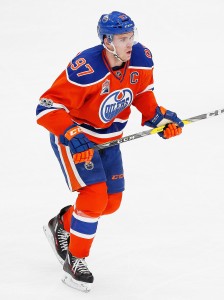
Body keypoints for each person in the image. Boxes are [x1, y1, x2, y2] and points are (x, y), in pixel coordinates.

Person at [36, 11, 184, 292]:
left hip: (110, 141)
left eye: (131, 36)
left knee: (111, 203)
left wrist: (159, 118)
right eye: (123, 39)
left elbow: (140, 94)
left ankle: (62, 223)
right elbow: (46, 107)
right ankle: (75, 260)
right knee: (93, 197)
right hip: (79, 143)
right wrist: (71, 133)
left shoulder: (140, 59)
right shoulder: (86, 68)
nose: (130, 44)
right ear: (107, 40)